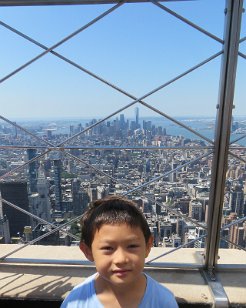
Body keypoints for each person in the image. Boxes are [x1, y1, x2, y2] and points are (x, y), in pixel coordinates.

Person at [61, 195, 178, 308]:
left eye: (132, 246)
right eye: (108, 248)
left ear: (148, 246)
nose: (121, 259)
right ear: (88, 251)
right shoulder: (74, 302)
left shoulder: (164, 301)